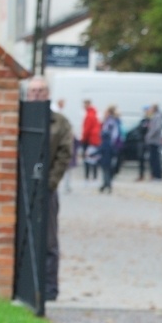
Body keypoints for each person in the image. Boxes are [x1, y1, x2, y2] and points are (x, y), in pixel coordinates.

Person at [26, 76, 73, 302]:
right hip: (23, 188)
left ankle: (49, 288)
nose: (36, 94)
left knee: (49, 239)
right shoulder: (19, 117)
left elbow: (64, 154)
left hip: (47, 188)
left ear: (48, 94)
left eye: (41, 91)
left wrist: (50, 183)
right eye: (33, 91)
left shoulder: (59, 122)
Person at [99, 105, 122, 192]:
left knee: (107, 167)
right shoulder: (113, 121)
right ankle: (106, 183)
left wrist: (109, 144)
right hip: (110, 146)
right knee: (107, 167)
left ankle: (107, 183)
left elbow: (113, 135)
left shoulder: (110, 122)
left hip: (109, 147)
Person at [81, 99, 101, 181]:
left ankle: (87, 175)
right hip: (95, 140)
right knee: (94, 158)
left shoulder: (89, 115)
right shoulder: (95, 114)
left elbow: (87, 129)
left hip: (89, 140)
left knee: (87, 158)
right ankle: (95, 175)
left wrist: (83, 139)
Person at [144, 103, 162, 180]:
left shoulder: (157, 116)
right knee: (153, 159)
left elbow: (156, 128)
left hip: (154, 141)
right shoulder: (154, 116)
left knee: (155, 159)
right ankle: (155, 175)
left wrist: (149, 135)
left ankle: (157, 175)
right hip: (153, 140)